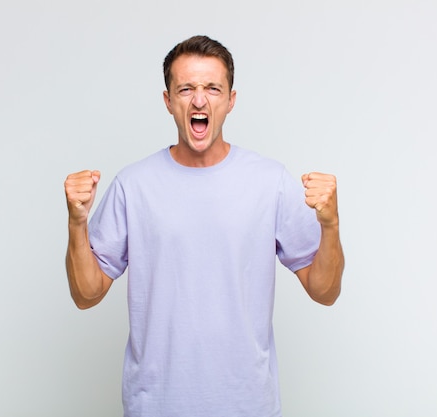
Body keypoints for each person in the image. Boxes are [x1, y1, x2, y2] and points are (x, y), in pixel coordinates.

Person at [64, 35, 344, 417]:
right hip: (156, 406)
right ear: (168, 101)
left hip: (248, 407)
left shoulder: (269, 181)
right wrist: (77, 224)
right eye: (186, 89)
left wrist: (331, 226)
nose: (199, 100)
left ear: (230, 100)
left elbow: (324, 291)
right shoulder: (134, 185)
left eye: (213, 88)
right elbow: (86, 294)